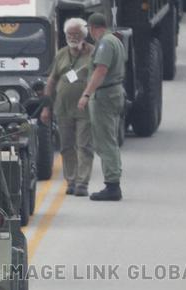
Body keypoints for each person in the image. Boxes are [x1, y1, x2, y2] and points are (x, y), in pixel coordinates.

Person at [40, 18, 95, 196]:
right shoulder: (61, 54)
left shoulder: (92, 53)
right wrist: (46, 107)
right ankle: (71, 180)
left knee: (84, 146)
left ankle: (82, 183)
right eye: (70, 34)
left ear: (84, 35)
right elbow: (51, 80)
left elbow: (99, 76)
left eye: (76, 34)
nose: (73, 37)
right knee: (66, 146)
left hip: (84, 109)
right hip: (62, 109)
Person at [77, 12, 126, 201]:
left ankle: (112, 185)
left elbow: (101, 70)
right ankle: (113, 181)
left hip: (104, 95)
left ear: (92, 28)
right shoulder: (113, 40)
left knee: (105, 140)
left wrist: (86, 94)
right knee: (109, 138)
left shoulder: (105, 43)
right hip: (113, 93)